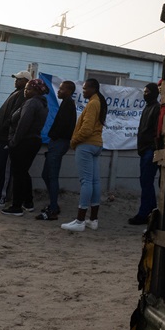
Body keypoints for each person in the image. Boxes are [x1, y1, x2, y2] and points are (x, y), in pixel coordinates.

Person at [61, 78, 106, 232]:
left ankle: (80, 221)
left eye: (86, 88)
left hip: (86, 145)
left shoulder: (93, 103)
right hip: (96, 145)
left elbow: (86, 129)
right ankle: (93, 220)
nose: (83, 90)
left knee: (86, 181)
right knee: (94, 181)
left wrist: (74, 141)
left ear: (94, 88)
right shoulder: (98, 101)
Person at [0, 71, 30, 209]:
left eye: (19, 79)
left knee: (3, 168)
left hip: (5, 138)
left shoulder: (22, 96)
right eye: (16, 78)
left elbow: (13, 117)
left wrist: (2, 130)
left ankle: (1, 198)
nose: (16, 81)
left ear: (26, 81)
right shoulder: (14, 93)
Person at [2, 78, 49, 216]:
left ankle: (16, 207)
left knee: (18, 173)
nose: (25, 91)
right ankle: (28, 202)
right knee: (23, 172)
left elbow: (23, 124)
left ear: (35, 91)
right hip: (33, 141)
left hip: (24, 141)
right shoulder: (42, 103)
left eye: (28, 88)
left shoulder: (32, 103)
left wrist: (13, 142)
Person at [37, 80, 76, 221]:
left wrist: (54, 136)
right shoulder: (65, 103)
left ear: (69, 91)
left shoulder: (68, 104)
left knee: (52, 176)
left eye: (62, 89)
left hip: (59, 143)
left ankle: (53, 210)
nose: (58, 91)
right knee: (45, 175)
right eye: (59, 89)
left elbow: (65, 127)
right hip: (55, 143)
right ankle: (53, 204)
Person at [128, 82, 160, 225]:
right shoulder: (148, 107)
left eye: (147, 92)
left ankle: (144, 213)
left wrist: (152, 147)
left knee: (146, 181)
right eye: (144, 92)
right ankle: (152, 211)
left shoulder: (156, 108)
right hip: (145, 149)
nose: (145, 94)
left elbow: (156, 131)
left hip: (150, 150)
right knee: (145, 181)